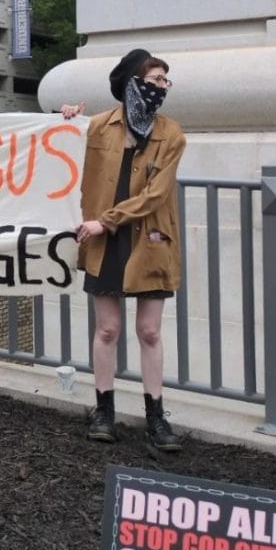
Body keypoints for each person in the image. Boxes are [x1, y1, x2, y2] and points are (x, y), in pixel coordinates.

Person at [62, 49, 186, 452]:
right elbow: (58, 148)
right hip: (104, 239)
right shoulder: (96, 127)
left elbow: (156, 194)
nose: (161, 87)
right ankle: (103, 412)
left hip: (149, 238)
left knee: (149, 331)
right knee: (107, 329)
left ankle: (156, 418)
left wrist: (107, 220)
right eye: (154, 80)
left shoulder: (172, 134)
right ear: (132, 83)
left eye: (165, 81)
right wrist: (65, 120)